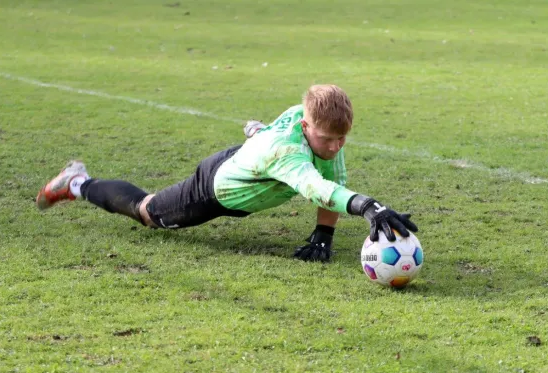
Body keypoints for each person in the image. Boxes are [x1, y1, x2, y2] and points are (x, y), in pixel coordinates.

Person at [36, 84, 418, 262]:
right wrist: (369, 206)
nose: (335, 146)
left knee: (278, 146)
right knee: (148, 212)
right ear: (305, 126)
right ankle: (77, 183)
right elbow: (316, 187)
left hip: (252, 156)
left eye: (342, 138)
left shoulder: (317, 129)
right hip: (215, 189)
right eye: (328, 138)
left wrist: (324, 235)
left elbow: (333, 179)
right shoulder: (287, 153)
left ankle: (255, 133)